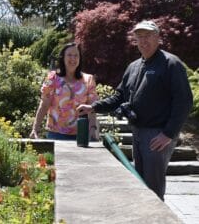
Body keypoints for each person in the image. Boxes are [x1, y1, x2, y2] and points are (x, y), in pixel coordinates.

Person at [77, 20, 193, 201]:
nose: (143, 41)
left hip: (158, 135)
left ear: (158, 38)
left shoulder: (171, 64)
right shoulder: (134, 66)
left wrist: (169, 133)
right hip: (138, 132)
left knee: (153, 189)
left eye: (148, 36)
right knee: (140, 184)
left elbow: (184, 101)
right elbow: (119, 96)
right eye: (139, 37)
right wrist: (93, 107)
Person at [30, 42, 99, 140]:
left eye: (76, 55)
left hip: (82, 135)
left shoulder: (88, 80)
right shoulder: (53, 78)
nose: (73, 58)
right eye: (69, 55)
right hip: (56, 134)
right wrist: (35, 129)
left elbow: (92, 108)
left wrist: (93, 129)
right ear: (63, 57)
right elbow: (44, 105)